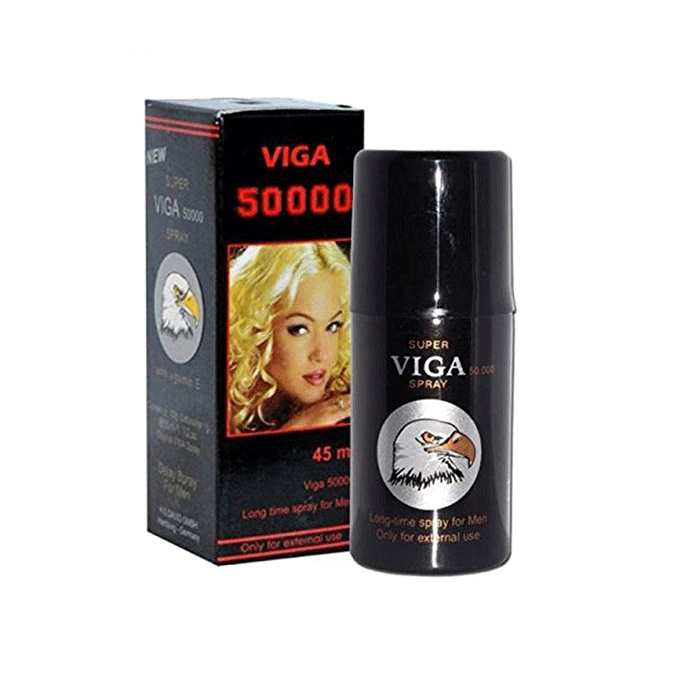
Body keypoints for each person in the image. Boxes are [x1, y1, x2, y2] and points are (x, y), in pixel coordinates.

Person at [228, 241, 351, 433]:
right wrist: (298, 428)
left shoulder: (346, 397)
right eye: (299, 329)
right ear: (255, 328)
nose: (322, 355)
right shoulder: (214, 398)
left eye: (332, 326)